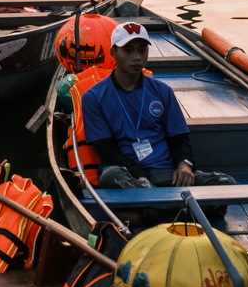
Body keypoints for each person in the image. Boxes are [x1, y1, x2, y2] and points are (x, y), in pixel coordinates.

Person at [82, 22, 234, 194]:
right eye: (128, 50)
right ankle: (176, 207)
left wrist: (185, 165)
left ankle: (145, 212)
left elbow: (179, 138)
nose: (137, 57)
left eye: (142, 50)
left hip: (167, 174)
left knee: (225, 183)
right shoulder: (93, 97)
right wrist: (139, 175)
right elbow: (106, 150)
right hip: (129, 176)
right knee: (110, 176)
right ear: (113, 52)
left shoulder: (162, 91)